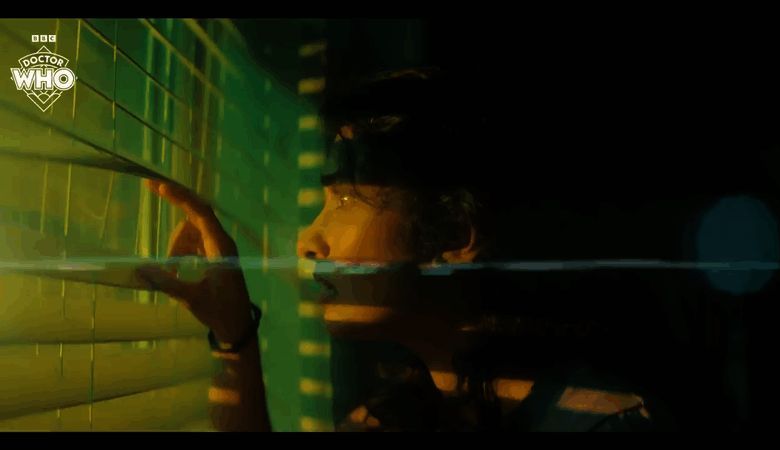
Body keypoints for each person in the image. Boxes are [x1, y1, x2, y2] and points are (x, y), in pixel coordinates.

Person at [137, 68, 665, 431]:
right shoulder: (397, 415)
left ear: (454, 236)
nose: (307, 240)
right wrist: (233, 333)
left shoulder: (596, 421)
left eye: (347, 199)